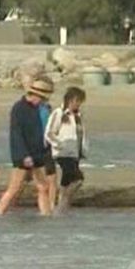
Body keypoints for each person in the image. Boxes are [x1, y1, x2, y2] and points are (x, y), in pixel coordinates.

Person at [0, 79, 54, 216]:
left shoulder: (39, 108)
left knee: (43, 187)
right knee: (14, 188)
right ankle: (0, 214)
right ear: (35, 94)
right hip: (23, 155)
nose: (42, 101)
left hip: (36, 153)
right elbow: (16, 133)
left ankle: (45, 216)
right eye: (42, 98)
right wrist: (24, 155)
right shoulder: (19, 108)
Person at [44, 86, 88, 215]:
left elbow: (81, 135)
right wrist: (59, 144)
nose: (79, 104)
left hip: (75, 154)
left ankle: (61, 210)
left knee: (66, 182)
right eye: (78, 101)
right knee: (78, 179)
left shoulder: (78, 116)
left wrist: (83, 150)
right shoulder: (59, 113)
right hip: (62, 153)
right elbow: (49, 133)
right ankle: (62, 204)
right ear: (71, 100)